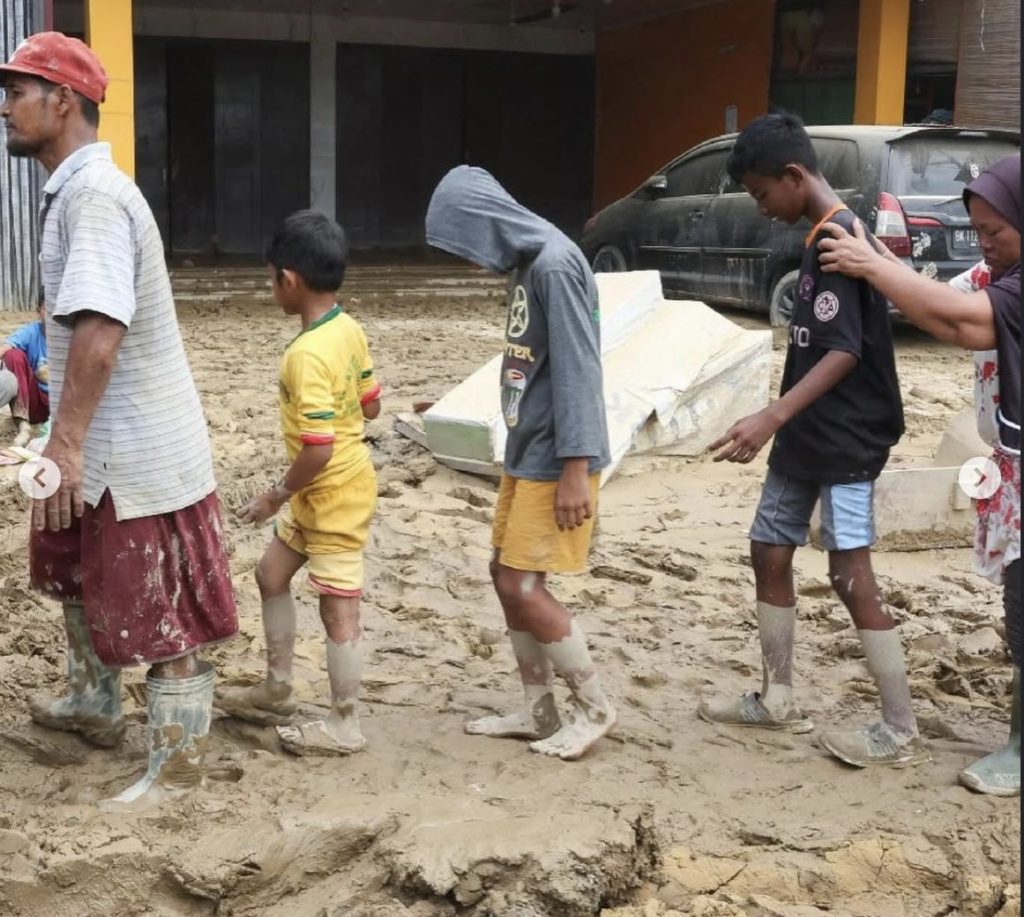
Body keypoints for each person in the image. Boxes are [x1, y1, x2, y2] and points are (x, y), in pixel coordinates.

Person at [0, 32, 238, 811]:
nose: (5, 107)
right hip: (96, 442)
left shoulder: (96, 198)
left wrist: (62, 444)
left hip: (136, 451)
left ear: (62, 101)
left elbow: (100, 332)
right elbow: (67, 331)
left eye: (17, 92)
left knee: (163, 610)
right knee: (72, 565)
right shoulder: (72, 192)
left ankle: (178, 769)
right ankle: (94, 700)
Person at [701, 113, 928, 768]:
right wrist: (784, 420)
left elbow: (844, 353)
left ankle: (899, 722)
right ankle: (778, 696)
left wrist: (771, 414)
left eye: (760, 192)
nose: (760, 205)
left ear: (793, 176)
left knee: (848, 571)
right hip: (806, 434)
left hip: (846, 440)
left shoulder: (838, 242)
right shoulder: (823, 236)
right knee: (769, 546)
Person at [819, 153, 1021, 796]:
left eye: (995, 230)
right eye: (979, 230)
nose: (984, 242)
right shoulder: (999, 272)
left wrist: (870, 265)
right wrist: (867, 245)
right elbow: (936, 309)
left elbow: (965, 322)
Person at [425, 165, 617, 761]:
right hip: (527, 448)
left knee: (522, 582)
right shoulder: (530, 265)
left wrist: (576, 468)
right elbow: (532, 365)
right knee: (502, 573)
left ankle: (595, 707)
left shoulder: (556, 266)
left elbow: (581, 369)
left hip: (558, 456)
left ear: (484, 225)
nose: (467, 261)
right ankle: (538, 710)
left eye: (465, 246)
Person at [216, 211, 382, 757]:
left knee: (338, 604)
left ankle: (345, 722)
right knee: (271, 573)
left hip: (331, 492)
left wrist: (274, 495)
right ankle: (278, 686)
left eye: (270, 280)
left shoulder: (304, 355)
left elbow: (319, 447)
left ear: (288, 279)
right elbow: (372, 402)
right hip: (324, 488)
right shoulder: (347, 327)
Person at [0, 293, 50, 446]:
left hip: (65, 405)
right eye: (47, 309)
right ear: (38, 311)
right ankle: (24, 426)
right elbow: (4, 348)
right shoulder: (32, 332)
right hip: (37, 405)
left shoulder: (72, 335)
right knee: (13, 355)